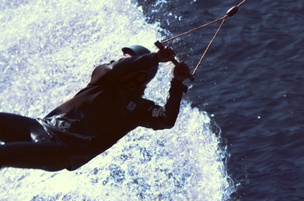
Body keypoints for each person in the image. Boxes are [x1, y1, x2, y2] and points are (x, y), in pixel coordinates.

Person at [0, 45, 191, 172]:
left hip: (60, 151)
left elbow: (166, 120)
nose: (118, 62)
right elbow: (114, 69)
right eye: (121, 60)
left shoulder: (139, 109)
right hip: (41, 127)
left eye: (126, 60)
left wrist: (176, 83)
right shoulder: (103, 78)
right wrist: (154, 58)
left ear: (141, 75)